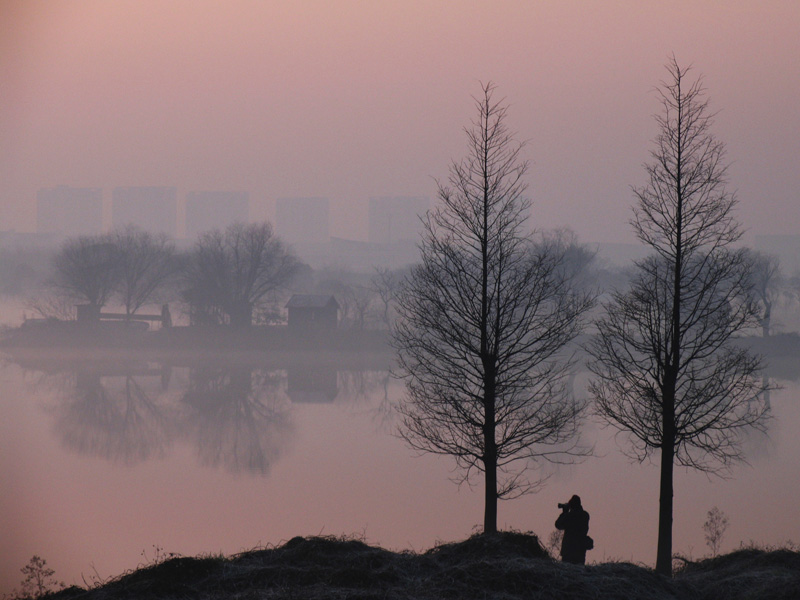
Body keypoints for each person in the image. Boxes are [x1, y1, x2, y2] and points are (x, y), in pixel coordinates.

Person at [555, 494, 591, 564]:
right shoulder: (585, 515)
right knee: (578, 571)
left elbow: (558, 525)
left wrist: (564, 512)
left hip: (568, 551)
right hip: (580, 550)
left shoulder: (570, 516)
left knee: (567, 571)